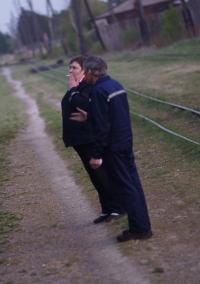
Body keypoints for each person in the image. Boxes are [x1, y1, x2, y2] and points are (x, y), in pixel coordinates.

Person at [70, 56, 152, 242]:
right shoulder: (116, 85)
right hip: (125, 142)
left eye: (86, 73)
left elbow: (103, 127)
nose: (85, 77)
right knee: (134, 185)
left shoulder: (98, 91)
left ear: (90, 72)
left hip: (113, 147)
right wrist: (89, 116)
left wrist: (96, 154)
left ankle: (139, 229)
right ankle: (142, 226)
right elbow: (113, 116)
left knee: (126, 188)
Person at [61, 56, 124, 224]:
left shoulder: (89, 87)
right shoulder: (79, 86)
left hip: (89, 138)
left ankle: (117, 207)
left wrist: (73, 90)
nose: (70, 71)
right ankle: (106, 209)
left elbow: (83, 105)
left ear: (84, 70)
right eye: (69, 68)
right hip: (78, 139)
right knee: (95, 177)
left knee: (102, 174)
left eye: (74, 67)